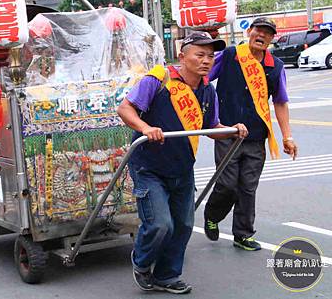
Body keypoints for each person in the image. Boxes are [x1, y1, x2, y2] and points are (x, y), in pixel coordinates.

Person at [117, 32, 248, 294]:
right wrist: (146, 128)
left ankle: (167, 275)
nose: (206, 61)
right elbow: (125, 108)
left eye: (210, 56)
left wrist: (233, 130)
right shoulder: (160, 78)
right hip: (149, 166)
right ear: (182, 56)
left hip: (182, 168)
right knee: (160, 223)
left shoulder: (207, 90)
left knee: (184, 224)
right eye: (199, 55)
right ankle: (142, 263)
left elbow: (210, 127)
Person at [203, 17, 298, 251]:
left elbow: (281, 102)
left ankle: (243, 234)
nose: (262, 35)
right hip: (227, 133)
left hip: (256, 137)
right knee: (227, 185)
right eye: (258, 30)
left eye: (268, 33)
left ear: (272, 38)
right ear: (249, 32)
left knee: (248, 187)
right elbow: (202, 76)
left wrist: (287, 136)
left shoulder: (275, 66)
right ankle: (212, 216)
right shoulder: (230, 56)